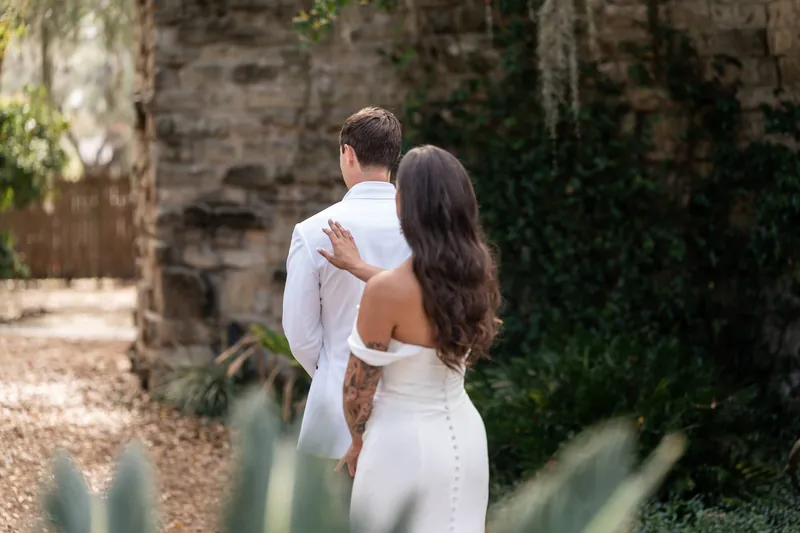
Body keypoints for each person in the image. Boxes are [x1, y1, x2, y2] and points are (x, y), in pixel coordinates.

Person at [320, 145, 501, 533]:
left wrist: (355, 442)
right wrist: (361, 268)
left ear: (406, 205)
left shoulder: (388, 292)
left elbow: (357, 393)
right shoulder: (475, 271)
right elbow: (419, 296)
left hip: (400, 446)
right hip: (465, 440)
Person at [282, 107, 410, 466]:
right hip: (408, 412)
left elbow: (300, 336)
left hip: (335, 411)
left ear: (348, 153)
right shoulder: (423, 231)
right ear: (393, 157)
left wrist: (333, 370)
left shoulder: (312, 231)